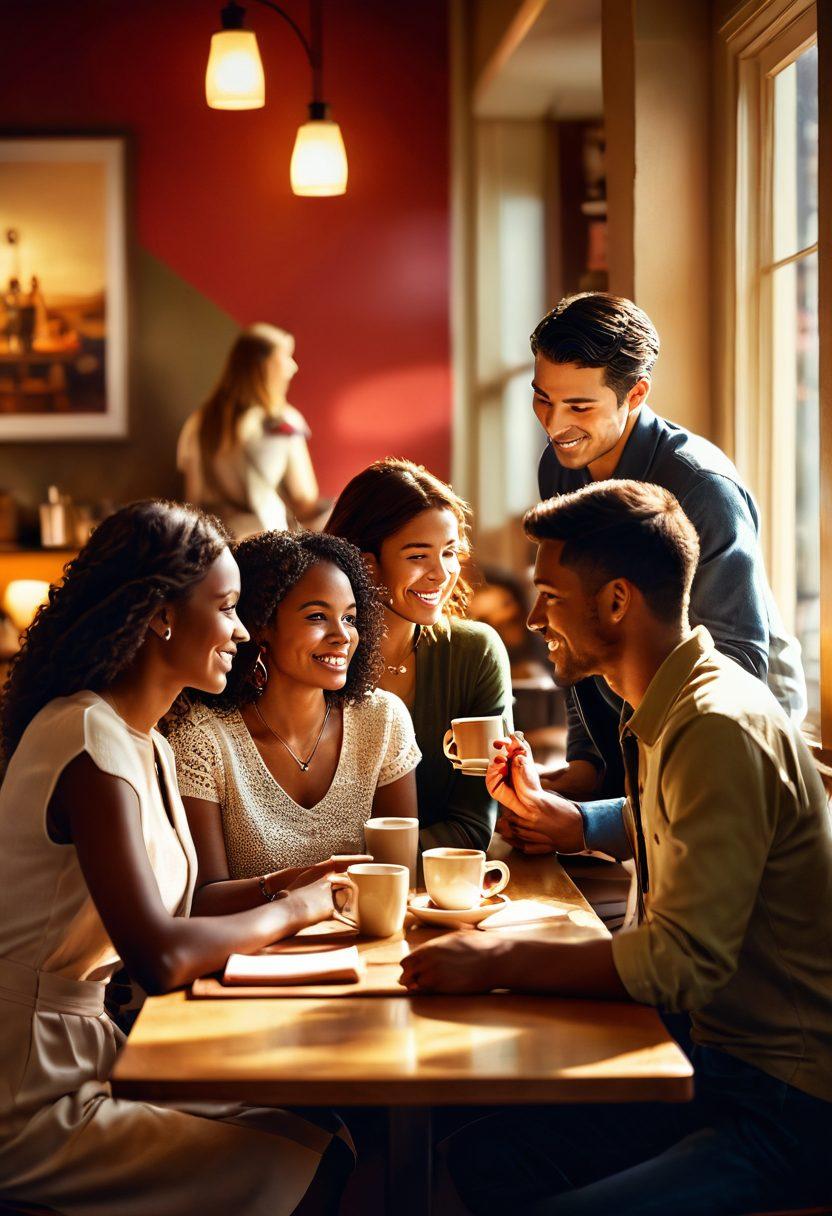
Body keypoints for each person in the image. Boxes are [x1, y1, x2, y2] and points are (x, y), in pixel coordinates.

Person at [400, 480, 832, 1216]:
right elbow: (680, 825)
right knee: (479, 1150)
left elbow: (679, 963)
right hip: (716, 1062)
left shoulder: (713, 723)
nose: (534, 619)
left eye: (551, 595)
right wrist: (575, 822)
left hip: (783, 1103)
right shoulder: (671, 705)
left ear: (617, 601)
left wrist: (500, 960)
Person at [0, 500, 353, 1214]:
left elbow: (183, 909)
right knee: (314, 1167)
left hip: (90, 1053)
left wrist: (293, 880)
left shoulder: (149, 741)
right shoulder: (88, 738)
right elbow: (159, 954)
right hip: (28, 1090)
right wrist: (300, 909)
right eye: (226, 607)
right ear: (163, 613)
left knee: (330, 1132)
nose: (243, 630)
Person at [531, 292, 806, 804]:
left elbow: (741, 662)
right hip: (639, 734)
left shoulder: (702, 488)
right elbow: (576, 627)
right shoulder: (560, 465)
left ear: (635, 394)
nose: (553, 424)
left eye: (579, 406)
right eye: (543, 398)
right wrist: (588, 763)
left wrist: (623, 805)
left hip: (732, 736)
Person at [166, 530, 421, 878]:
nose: (342, 635)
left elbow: (399, 876)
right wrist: (308, 887)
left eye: (349, 617)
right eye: (317, 616)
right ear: (262, 625)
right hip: (250, 936)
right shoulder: (202, 738)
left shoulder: (382, 720)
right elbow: (204, 898)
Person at [325, 458, 512, 851]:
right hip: (309, 892)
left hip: (433, 888)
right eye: (417, 556)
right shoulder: (320, 655)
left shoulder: (475, 654)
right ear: (365, 563)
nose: (442, 574)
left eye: (449, 552)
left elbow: (472, 828)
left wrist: (348, 868)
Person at [177, 322, 321, 539]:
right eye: (285, 356)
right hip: (266, 541)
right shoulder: (282, 422)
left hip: (213, 543)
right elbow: (304, 496)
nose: (293, 367)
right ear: (264, 365)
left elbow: (193, 499)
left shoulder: (198, 423)